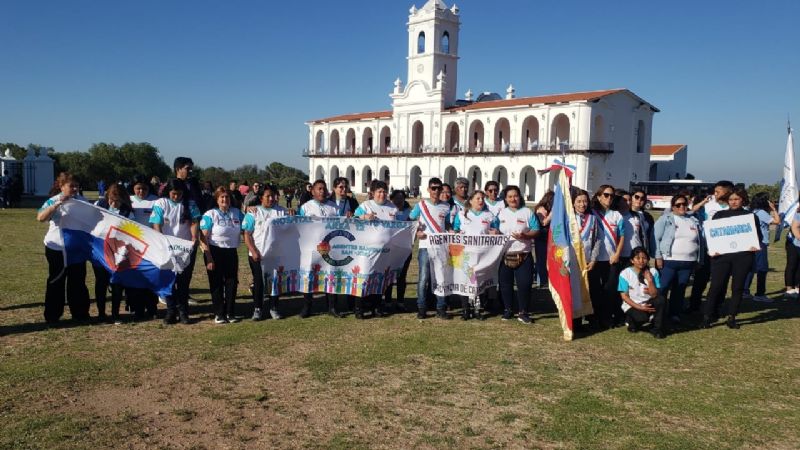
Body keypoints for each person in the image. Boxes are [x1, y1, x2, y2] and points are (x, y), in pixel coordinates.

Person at [701, 188, 762, 329]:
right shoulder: (719, 215)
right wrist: (712, 249)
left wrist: (754, 245)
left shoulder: (750, 216)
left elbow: (758, 236)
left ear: (742, 200)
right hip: (721, 257)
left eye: (737, 199)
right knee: (716, 286)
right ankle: (707, 316)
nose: (733, 202)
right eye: (731, 199)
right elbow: (712, 235)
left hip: (743, 257)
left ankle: (732, 317)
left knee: (738, 287)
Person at [36, 172, 91, 324]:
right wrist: (56, 205)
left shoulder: (82, 201)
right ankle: (53, 315)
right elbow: (40, 218)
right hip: (56, 248)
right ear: (61, 186)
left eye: (77, 186)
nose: (75, 189)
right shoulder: (53, 200)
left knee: (78, 281)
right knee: (56, 281)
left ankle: (80, 313)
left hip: (76, 248)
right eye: (71, 186)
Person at [150, 179, 201, 325]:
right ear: (168, 192)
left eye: (179, 194)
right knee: (169, 281)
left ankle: (183, 312)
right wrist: (161, 240)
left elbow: (194, 222)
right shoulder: (161, 203)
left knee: (183, 281)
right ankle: (171, 311)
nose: (176, 196)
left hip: (185, 248)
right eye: (173, 194)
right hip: (167, 248)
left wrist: (194, 237)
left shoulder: (190, 204)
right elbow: (156, 223)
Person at [452, 190, 500, 320]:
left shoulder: (489, 215)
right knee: (465, 281)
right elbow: (455, 230)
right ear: (471, 200)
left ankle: (478, 309)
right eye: (478, 198)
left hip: (482, 256)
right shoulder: (462, 214)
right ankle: (465, 309)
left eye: (482, 198)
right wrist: (455, 233)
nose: (481, 201)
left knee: (478, 281)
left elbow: (497, 231)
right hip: (465, 255)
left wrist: (496, 232)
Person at [243, 185, 289, 321]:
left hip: (276, 255)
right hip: (258, 255)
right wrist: (253, 251)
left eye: (273, 195)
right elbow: (247, 235)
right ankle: (257, 308)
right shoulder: (253, 213)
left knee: (275, 281)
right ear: (261, 197)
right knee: (259, 282)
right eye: (268, 196)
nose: (271, 198)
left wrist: (292, 212)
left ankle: (274, 307)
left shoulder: (282, 212)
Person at [654, 194, 702, 323]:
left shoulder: (693, 220)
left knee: (680, 289)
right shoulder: (666, 219)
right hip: (668, 260)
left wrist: (699, 259)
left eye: (684, 204)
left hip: (688, 262)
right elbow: (656, 238)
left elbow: (700, 241)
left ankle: (674, 313)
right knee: (663, 288)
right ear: (673, 206)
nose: (681, 207)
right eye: (678, 205)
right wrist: (658, 256)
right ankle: (658, 314)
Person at [353, 180, 398, 318]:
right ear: (372, 193)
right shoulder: (365, 205)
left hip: (385, 251)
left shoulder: (392, 207)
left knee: (380, 278)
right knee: (364, 278)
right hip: (367, 250)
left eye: (384, 191)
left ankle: (376, 307)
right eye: (379, 191)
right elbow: (352, 220)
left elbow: (398, 226)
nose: (382, 194)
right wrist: (364, 217)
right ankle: (359, 308)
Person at [409, 177, 452, 320]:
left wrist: (451, 231)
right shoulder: (421, 205)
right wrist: (417, 231)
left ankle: (441, 308)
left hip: (441, 247)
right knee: (424, 278)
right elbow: (410, 220)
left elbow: (447, 224)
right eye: (433, 188)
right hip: (425, 246)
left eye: (439, 188)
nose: (436, 191)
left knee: (441, 277)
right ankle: (421, 307)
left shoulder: (446, 206)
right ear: (428, 189)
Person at [200, 187, 244, 324]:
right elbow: (203, 237)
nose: (225, 199)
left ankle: (230, 312)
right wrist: (208, 257)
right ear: (217, 199)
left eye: (227, 197)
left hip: (231, 251)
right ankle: (219, 314)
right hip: (214, 251)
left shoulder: (237, 213)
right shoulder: (210, 214)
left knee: (232, 282)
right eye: (222, 197)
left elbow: (248, 226)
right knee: (216, 283)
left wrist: (252, 209)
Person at [298, 179, 341, 318]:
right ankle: (307, 307)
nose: (322, 191)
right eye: (319, 189)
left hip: (330, 248)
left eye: (324, 188)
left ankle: (332, 307)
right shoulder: (305, 207)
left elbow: (341, 225)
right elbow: (298, 226)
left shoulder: (334, 207)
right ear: (312, 191)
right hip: (311, 248)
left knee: (331, 275)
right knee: (309, 276)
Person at [497, 185, 540, 324]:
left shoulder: (527, 212)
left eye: (515, 196)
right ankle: (508, 310)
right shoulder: (501, 213)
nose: (513, 199)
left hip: (524, 254)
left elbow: (536, 229)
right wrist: (494, 232)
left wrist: (525, 235)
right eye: (509, 197)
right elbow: (495, 229)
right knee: (505, 284)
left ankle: (523, 312)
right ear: (505, 199)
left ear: (519, 197)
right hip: (505, 254)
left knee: (525, 284)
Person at [689, 181, 734, 310]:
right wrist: (703, 202)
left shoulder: (733, 206)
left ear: (727, 191)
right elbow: (692, 211)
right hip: (707, 248)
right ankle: (694, 305)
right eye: (715, 191)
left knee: (721, 280)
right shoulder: (709, 205)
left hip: (724, 249)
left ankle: (716, 306)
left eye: (718, 191)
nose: (715, 193)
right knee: (700, 278)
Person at [93, 183, 134, 323]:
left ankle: (115, 314)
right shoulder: (99, 205)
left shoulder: (128, 212)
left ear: (123, 199)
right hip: (100, 250)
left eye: (117, 200)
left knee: (117, 282)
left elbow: (131, 233)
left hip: (118, 252)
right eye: (111, 199)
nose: (113, 203)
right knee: (101, 281)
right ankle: (101, 313)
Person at [589, 185, 625, 329]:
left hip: (611, 259)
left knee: (609, 290)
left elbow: (622, 236)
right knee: (594, 290)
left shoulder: (617, 215)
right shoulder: (591, 213)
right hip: (594, 259)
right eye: (606, 195)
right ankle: (593, 318)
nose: (609, 198)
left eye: (611, 195)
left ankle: (606, 318)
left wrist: (617, 254)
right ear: (598, 197)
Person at [618, 247, 667, 339]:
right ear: (632, 260)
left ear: (648, 259)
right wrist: (640, 307)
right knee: (642, 317)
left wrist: (650, 280)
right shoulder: (625, 273)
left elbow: (654, 295)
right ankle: (632, 321)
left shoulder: (653, 272)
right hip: (633, 305)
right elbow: (624, 296)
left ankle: (657, 329)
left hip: (648, 302)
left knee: (661, 300)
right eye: (637, 258)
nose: (641, 261)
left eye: (644, 258)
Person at [129, 176, 159, 319]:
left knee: (151, 275)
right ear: (133, 188)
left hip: (151, 244)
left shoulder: (155, 200)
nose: (141, 191)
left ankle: (152, 307)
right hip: (133, 245)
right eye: (138, 188)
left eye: (144, 188)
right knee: (136, 277)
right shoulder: (128, 200)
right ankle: (137, 308)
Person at [744, 193, 780, 302]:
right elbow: (777, 221)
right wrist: (774, 209)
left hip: (752, 242)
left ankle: (745, 291)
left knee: (751, 268)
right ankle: (760, 293)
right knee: (762, 268)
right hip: (761, 242)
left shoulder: (751, 211)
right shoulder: (761, 212)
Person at [572, 187, 600, 330]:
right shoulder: (569, 219)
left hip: (588, 261)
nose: (582, 204)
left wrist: (594, 259)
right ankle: (575, 321)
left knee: (589, 291)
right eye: (579, 201)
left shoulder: (593, 219)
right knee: (575, 292)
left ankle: (590, 318)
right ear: (573, 202)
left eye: (585, 201)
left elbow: (597, 240)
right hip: (573, 261)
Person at [384, 189, 413, 313]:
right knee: (389, 276)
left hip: (405, 249)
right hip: (390, 248)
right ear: (392, 199)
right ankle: (388, 302)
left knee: (402, 277)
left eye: (401, 198)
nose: (399, 200)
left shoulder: (409, 212)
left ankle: (400, 302)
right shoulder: (388, 210)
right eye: (396, 198)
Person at [533, 191, 553, 288]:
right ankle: (542, 281)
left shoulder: (547, 209)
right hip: (542, 238)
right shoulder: (541, 209)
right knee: (542, 260)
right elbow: (543, 222)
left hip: (548, 238)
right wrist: (551, 215)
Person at [630, 188, 656, 255]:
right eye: (637, 197)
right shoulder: (626, 214)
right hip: (628, 250)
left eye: (642, 198)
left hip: (643, 251)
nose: (639, 200)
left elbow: (651, 235)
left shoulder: (648, 216)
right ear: (631, 198)